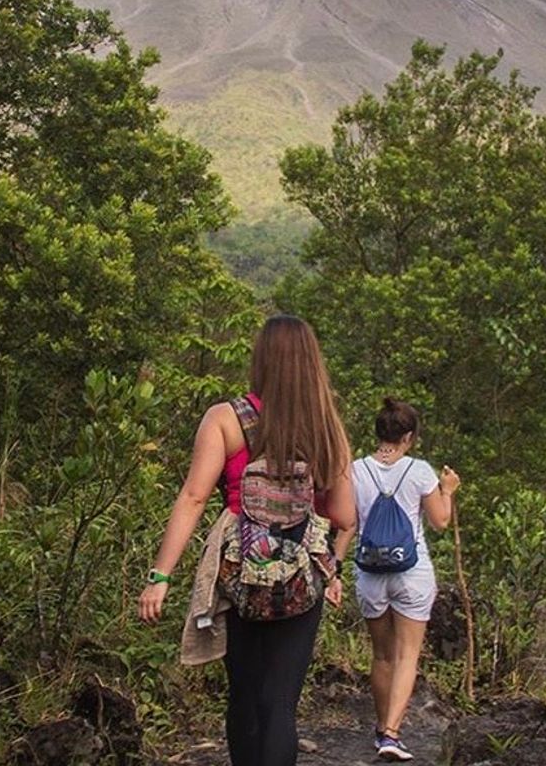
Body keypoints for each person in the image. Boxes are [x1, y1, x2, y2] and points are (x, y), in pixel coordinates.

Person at [138, 314, 356, 766]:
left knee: (244, 695)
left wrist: (161, 576)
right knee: (280, 703)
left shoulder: (227, 418)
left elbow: (194, 497)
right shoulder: (327, 428)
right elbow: (344, 515)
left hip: (240, 568)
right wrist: (332, 566)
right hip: (302, 572)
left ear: (260, 360)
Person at [327, 397, 461, 762]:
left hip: (370, 574)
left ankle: (380, 729)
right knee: (407, 655)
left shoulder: (355, 470)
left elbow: (348, 523)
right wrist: (447, 491)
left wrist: (333, 569)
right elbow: (440, 521)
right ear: (410, 436)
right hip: (411, 573)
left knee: (382, 655)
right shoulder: (419, 471)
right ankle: (391, 733)